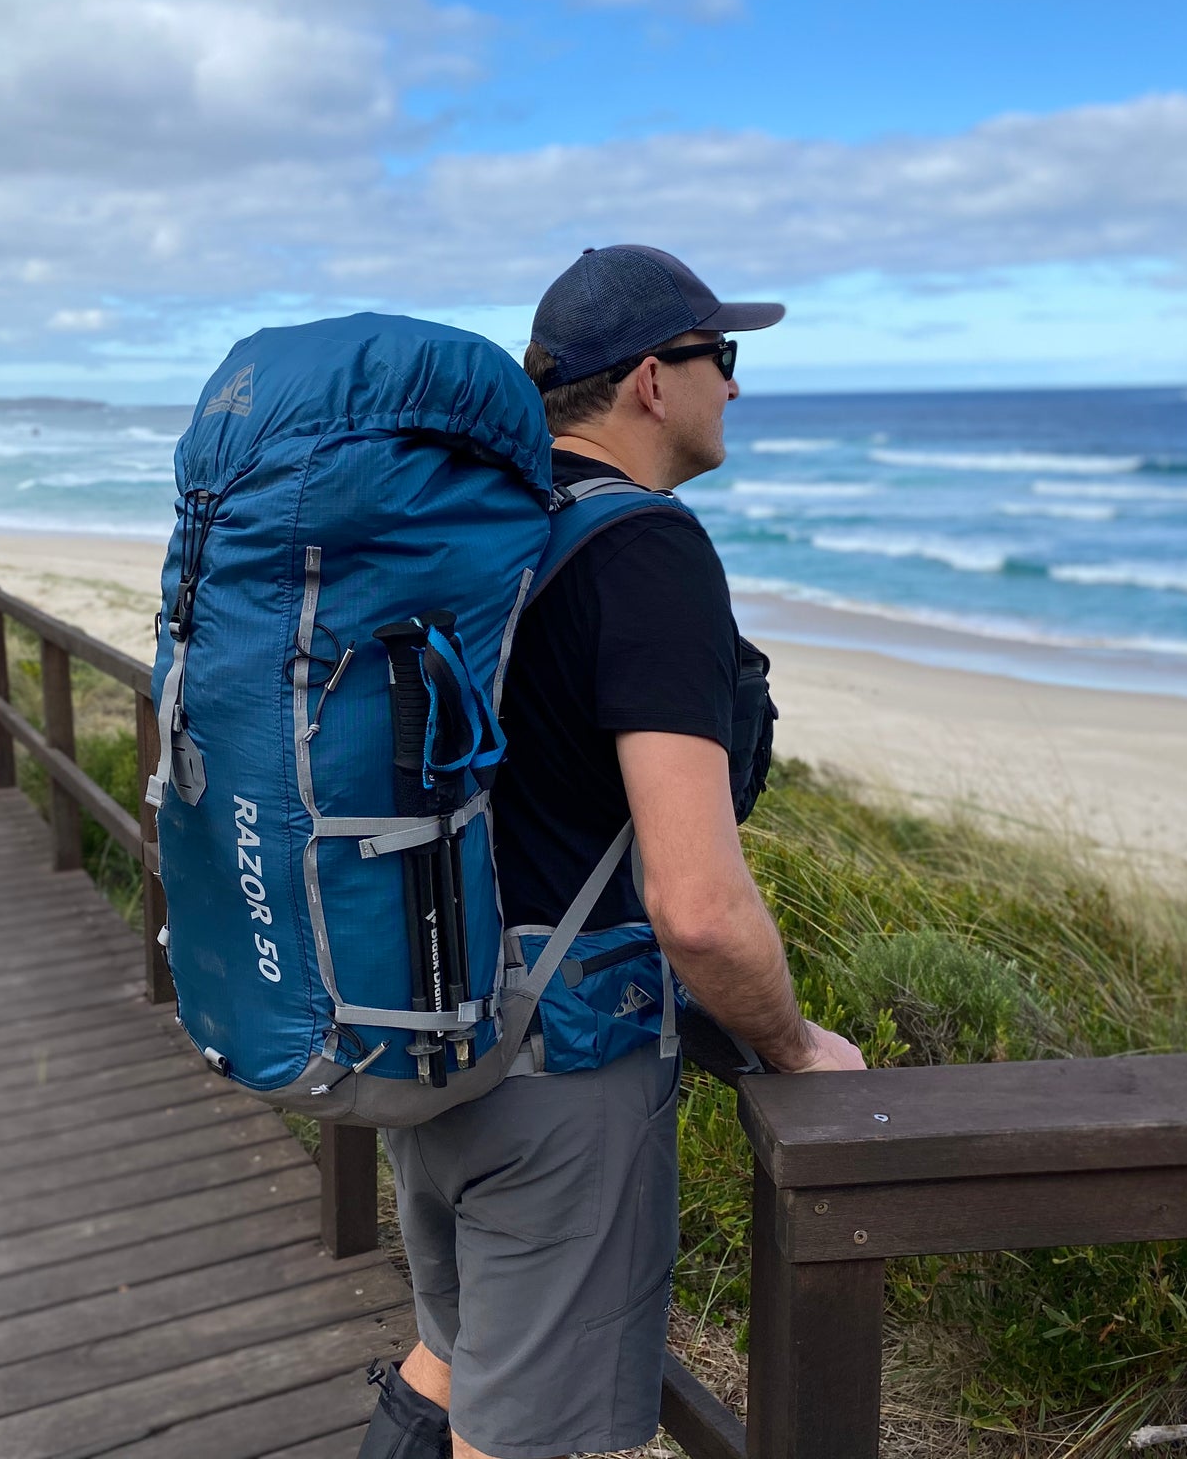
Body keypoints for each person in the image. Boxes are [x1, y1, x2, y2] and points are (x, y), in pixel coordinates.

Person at [362, 246, 866, 1459]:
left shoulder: (486, 531)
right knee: (534, 1437)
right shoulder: (646, 551)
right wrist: (793, 1045)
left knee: (455, 1357)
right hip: (562, 1084)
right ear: (651, 379)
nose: (733, 389)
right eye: (720, 359)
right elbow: (694, 903)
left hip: (433, 1030)